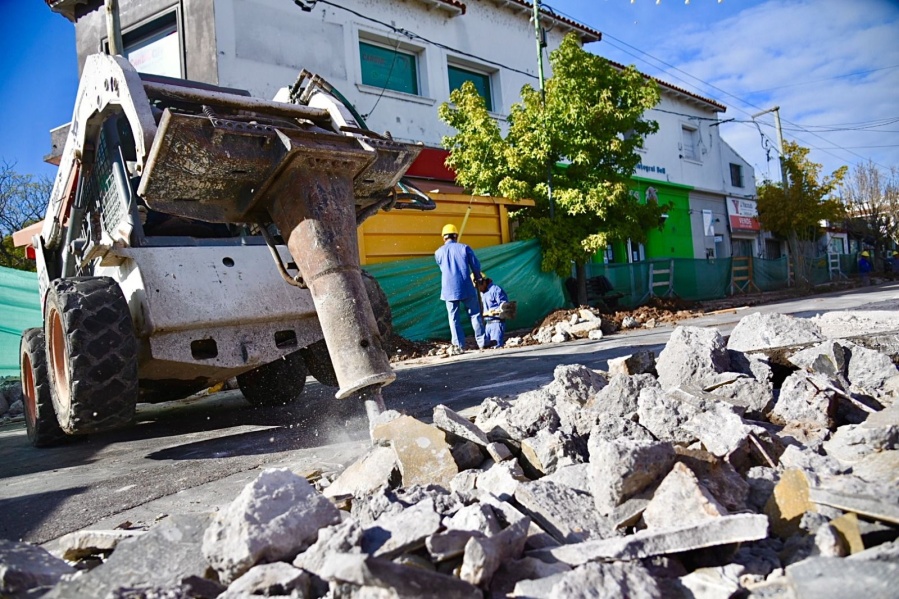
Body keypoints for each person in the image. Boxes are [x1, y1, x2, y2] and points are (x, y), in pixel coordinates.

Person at [435, 224, 486, 353]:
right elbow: (475, 265)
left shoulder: (438, 252)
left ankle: (458, 346)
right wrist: (479, 278)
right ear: (456, 236)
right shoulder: (464, 248)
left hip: (448, 290)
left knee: (453, 318)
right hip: (466, 287)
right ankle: (482, 342)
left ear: (443, 237)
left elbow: (442, 268)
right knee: (475, 314)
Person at [475, 273, 509, 348]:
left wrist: (494, 311)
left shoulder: (495, 290)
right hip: (487, 325)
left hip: (496, 323)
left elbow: (505, 307)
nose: (478, 289)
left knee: (496, 348)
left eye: (478, 287)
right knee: (487, 348)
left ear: (483, 282)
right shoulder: (482, 293)